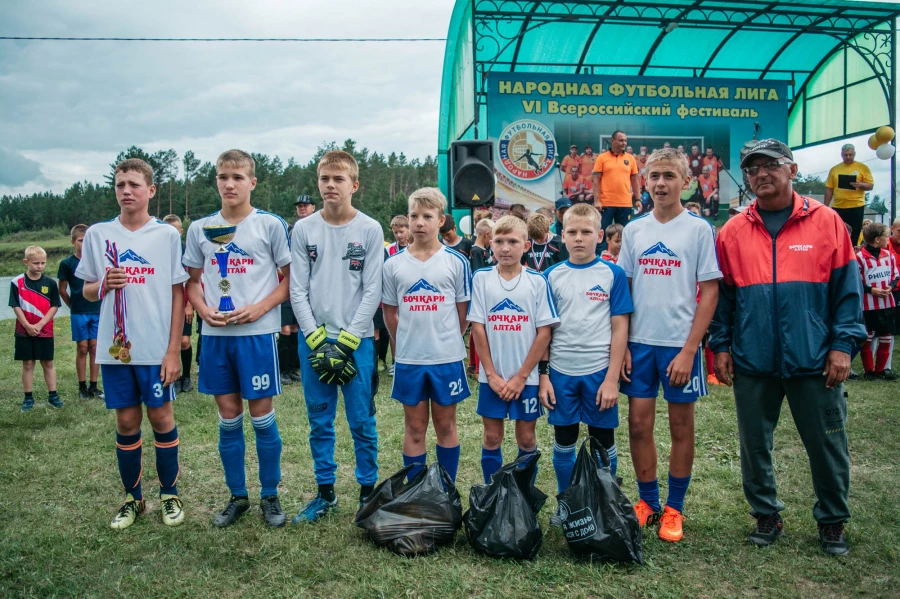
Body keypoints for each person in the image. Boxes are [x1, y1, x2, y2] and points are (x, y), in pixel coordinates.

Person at [710, 138, 867, 556]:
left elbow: (848, 293)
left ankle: (832, 521)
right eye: (752, 168)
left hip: (815, 358)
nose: (761, 174)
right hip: (753, 358)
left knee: (828, 442)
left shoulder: (829, 222)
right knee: (754, 444)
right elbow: (723, 299)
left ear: (792, 170)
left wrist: (842, 346)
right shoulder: (732, 231)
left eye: (770, 165)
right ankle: (766, 514)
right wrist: (721, 346)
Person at [617, 148, 722, 543]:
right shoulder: (634, 230)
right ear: (644, 182)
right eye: (655, 176)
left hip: (680, 347)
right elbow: (623, 291)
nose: (661, 183)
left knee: (681, 427)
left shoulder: (698, 229)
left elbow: (709, 292)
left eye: (669, 176)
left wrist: (690, 349)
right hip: (640, 345)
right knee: (638, 424)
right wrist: (623, 344)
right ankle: (647, 502)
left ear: (685, 181)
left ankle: (674, 509)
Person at [77, 158, 187, 529]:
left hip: (156, 347)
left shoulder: (167, 236)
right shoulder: (97, 235)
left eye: (134, 185)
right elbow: (87, 291)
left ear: (151, 191)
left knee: (161, 417)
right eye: (120, 184)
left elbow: (177, 294)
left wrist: (173, 350)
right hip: (116, 347)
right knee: (126, 422)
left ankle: (169, 494)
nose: (126, 191)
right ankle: (133, 499)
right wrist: (103, 284)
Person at [184, 150, 291, 528]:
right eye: (222, 176)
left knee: (262, 417)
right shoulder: (200, 228)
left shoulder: (271, 225)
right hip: (216, 336)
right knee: (228, 419)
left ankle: (270, 495)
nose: (229, 184)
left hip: (256, 335)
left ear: (252, 182)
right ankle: (237, 496)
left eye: (237, 177)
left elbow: (292, 280)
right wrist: (201, 309)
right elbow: (193, 283)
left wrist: (260, 308)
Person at [290, 150, 382, 522]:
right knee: (319, 419)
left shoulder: (370, 229)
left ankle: (367, 493)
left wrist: (345, 341)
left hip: (356, 342)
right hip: (313, 340)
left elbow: (372, 290)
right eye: (324, 178)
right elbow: (297, 289)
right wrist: (315, 338)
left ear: (354, 185)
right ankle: (325, 493)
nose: (330, 184)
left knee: (361, 420)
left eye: (338, 179)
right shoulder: (303, 228)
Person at [541, 203, 632, 498]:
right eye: (572, 232)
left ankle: (606, 502)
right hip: (561, 373)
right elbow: (543, 332)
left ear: (601, 235)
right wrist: (544, 375)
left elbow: (620, 328)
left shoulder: (612, 274)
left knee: (603, 441)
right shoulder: (551, 276)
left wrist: (611, 379)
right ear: (562, 236)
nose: (579, 238)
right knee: (563, 441)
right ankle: (566, 503)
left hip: (598, 373)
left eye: (586, 232)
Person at [383, 188, 470, 484]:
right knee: (415, 429)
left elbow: (462, 312)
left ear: (440, 220)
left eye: (427, 217)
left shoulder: (456, 262)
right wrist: (401, 344)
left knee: (446, 427)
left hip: (446, 359)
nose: (419, 223)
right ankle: (417, 495)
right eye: (414, 216)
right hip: (410, 359)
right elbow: (390, 313)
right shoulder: (393, 264)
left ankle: (445, 492)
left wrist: (449, 340)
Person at [469, 215, 558, 483]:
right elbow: (478, 329)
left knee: (527, 437)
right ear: (490, 245)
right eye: (499, 241)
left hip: (526, 378)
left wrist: (522, 377)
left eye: (512, 241)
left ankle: (524, 497)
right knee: (492, 436)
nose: (505, 247)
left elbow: (544, 333)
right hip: (492, 377)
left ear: (527, 246)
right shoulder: (481, 279)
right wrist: (492, 375)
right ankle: (493, 495)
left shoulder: (537, 281)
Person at [12, 245, 62, 411]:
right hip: (24, 330)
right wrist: (26, 325)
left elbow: (54, 306)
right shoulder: (17, 282)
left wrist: (40, 324)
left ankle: (53, 395)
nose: (39, 266)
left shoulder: (50, 283)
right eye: (35, 263)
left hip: (45, 330)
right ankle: (28, 398)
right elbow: (15, 305)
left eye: (43, 263)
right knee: (28, 363)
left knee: (48, 362)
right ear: (26, 262)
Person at [58, 224, 103, 399]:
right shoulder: (67, 264)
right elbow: (62, 289)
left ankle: (94, 385)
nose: (84, 244)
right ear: (73, 242)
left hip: (97, 310)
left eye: (87, 241)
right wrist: (73, 307)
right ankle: (82, 386)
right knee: (82, 348)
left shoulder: (97, 262)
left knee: (94, 347)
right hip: (79, 312)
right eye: (81, 241)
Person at [277, 195, 316, 386]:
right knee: (284, 329)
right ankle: (283, 369)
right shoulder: (289, 231)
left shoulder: (318, 229)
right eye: (299, 206)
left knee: (295, 329)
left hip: (307, 288)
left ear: (313, 207)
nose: (302, 209)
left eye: (305, 206)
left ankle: (292, 368)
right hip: (289, 283)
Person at [855, 222, 898, 380]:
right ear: (877, 239)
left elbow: (895, 275)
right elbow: (856, 280)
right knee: (867, 337)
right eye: (887, 236)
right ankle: (869, 371)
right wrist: (871, 290)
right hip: (868, 305)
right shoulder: (860, 257)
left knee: (886, 335)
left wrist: (890, 287)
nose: (889, 239)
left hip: (886, 303)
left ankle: (881, 370)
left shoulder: (889, 255)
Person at [162, 215, 194, 393]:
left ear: (181, 231)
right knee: (166, 341)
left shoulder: (186, 251)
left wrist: (189, 305)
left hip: (183, 302)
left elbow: (192, 281)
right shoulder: (157, 250)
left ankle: (186, 376)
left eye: (175, 229)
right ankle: (169, 374)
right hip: (163, 304)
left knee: (184, 341)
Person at [592, 131, 641, 244]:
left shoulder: (630, 158)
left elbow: (634, 180)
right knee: (602, 236)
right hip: (606, 203)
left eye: (625, 140)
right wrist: (597, 201)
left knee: (624, 237)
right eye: (620, 140)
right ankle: (602, 260)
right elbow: (596, 180)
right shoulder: (602, 158)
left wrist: (638, 199)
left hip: (625, 203)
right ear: (612, 140)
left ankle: (622, 261)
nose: (624, 143)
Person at [824, 144, 874, 246]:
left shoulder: (863, 167)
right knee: (837, 232)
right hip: (838, 206)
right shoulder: (835, 169)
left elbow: (870, 185)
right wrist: (825, 207)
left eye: (850, 155)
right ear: (841, 155)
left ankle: (853, 256)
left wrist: (859, 184)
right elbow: (829, 189)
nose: (848, 157)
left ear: (854, 154)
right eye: (845, 155)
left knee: (854, 234)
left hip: (856, 206)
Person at [468, 217, 496, 377]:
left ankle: (474, 365)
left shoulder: (482, 251)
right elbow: (480, 275)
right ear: (486, 234)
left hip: (484, 296)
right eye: (492, 237)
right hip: (480, 297)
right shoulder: (476, 251)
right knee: (479, 332)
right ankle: (478, 367)